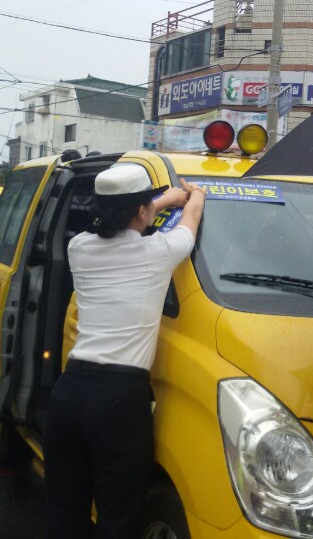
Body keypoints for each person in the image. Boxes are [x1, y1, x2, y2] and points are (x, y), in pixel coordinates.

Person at [43, 165, 206, 538]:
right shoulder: (160, 252)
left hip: (69, 395)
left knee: (63, 515)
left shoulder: (78, 248)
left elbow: (127, 216)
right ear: (141, 212)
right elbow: (191, 219)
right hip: (119, 400)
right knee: (119, 516)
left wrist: (160, 199)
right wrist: (194, 195)